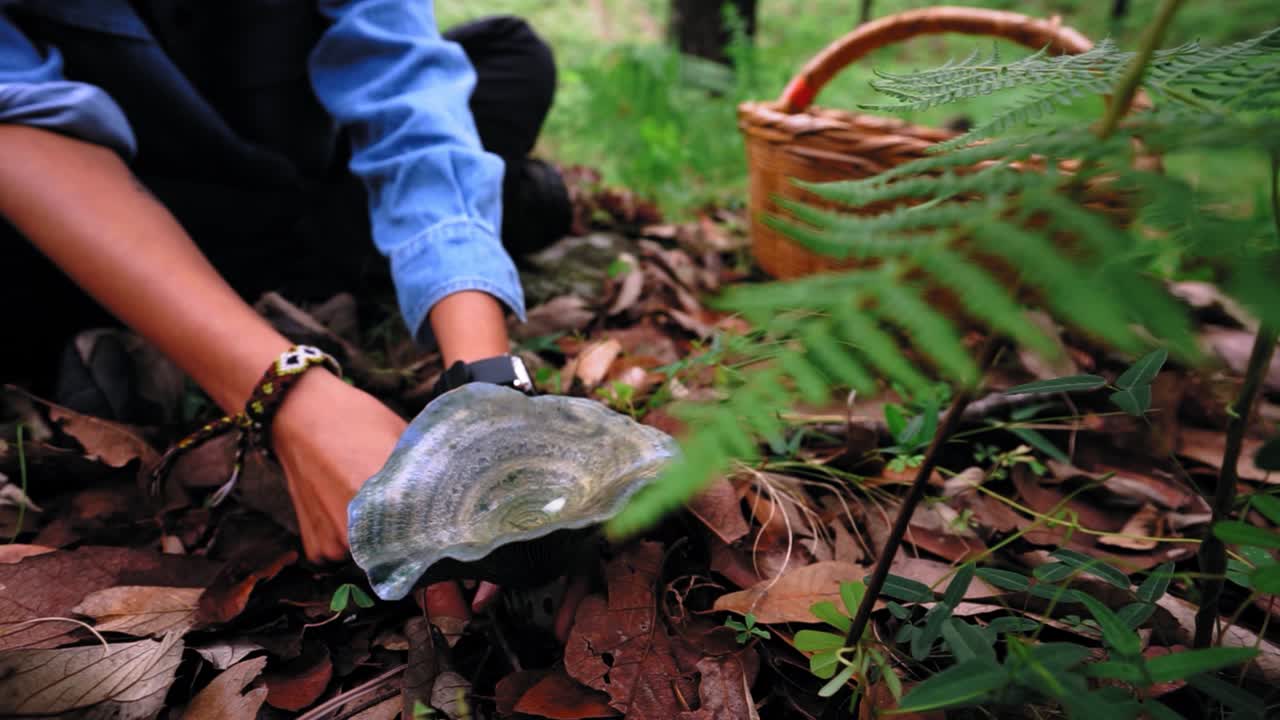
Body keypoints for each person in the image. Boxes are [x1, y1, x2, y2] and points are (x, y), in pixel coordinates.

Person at [0, 0, 572, 565]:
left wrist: (485, 386)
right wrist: (288, 398)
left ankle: (215, 305)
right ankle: (273, 291)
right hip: (96, 205)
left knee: (511, 57)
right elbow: (17, 117)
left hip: (284, 177)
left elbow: (404, 85)